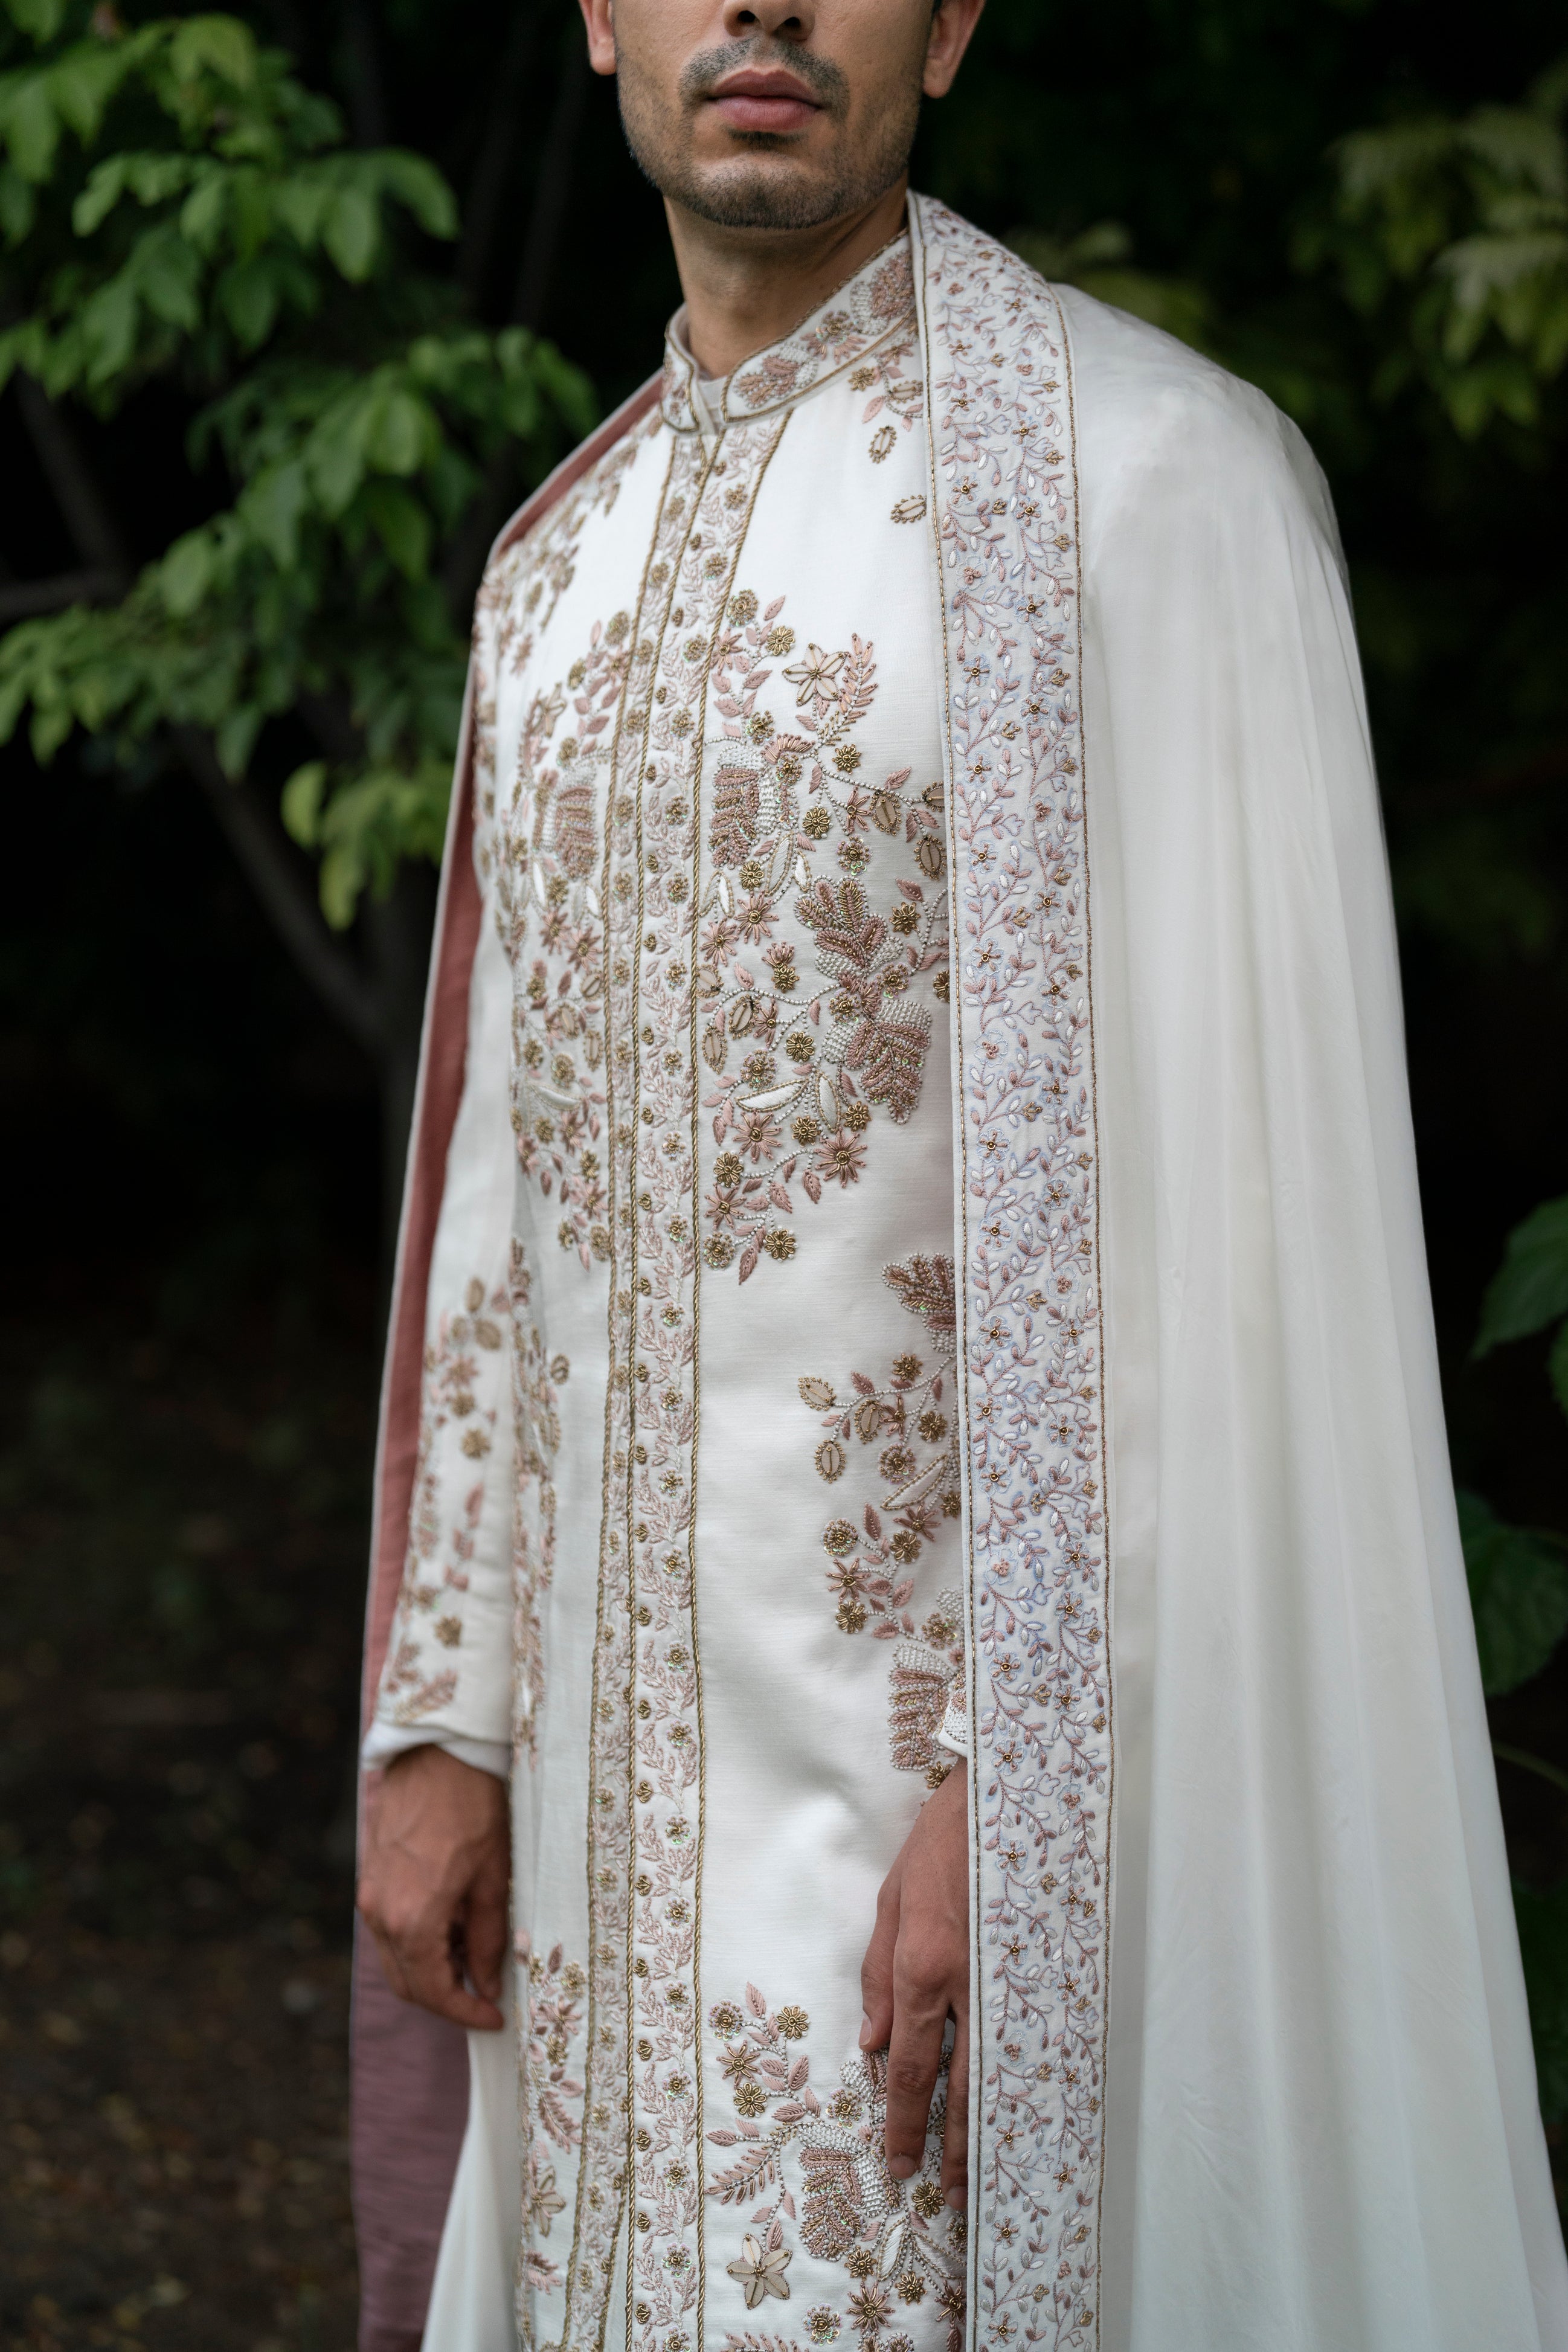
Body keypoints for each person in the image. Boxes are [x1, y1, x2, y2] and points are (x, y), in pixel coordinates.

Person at [352, 4, 1568, 2348]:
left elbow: (1240, 1255)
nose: (767, 13)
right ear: (601, 15)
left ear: (957, 18)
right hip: (603, 1855)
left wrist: (1043, 1807)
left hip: (948, 1811)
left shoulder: (1151, 485)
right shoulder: (562, 565)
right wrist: (447, 1719)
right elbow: (506, 1191)